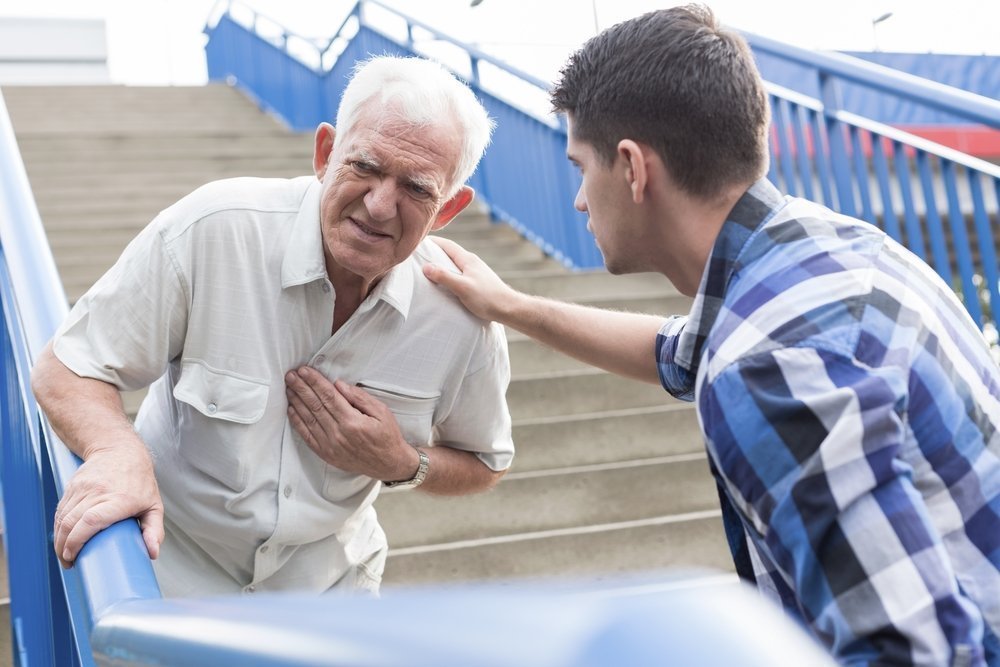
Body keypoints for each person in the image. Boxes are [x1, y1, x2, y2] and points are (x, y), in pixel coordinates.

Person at [422, 5, 1000, 665]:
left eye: (581, 166)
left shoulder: (767, 365)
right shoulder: (823, 254)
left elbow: (910, 651)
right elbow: (673, 350)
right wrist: (509, 304)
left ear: (634, 169)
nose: (579, 199)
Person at [31, 55, 514, 598]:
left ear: (447, 209)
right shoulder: (214, 229)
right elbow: (66, 367)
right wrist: (116, 453)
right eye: (365, 167)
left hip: (330, 591)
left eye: (417, 189)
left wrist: (403, 463)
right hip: (169, 571)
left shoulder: (462, 317)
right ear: (326, 154)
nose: (380, 206)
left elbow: (485, 462)